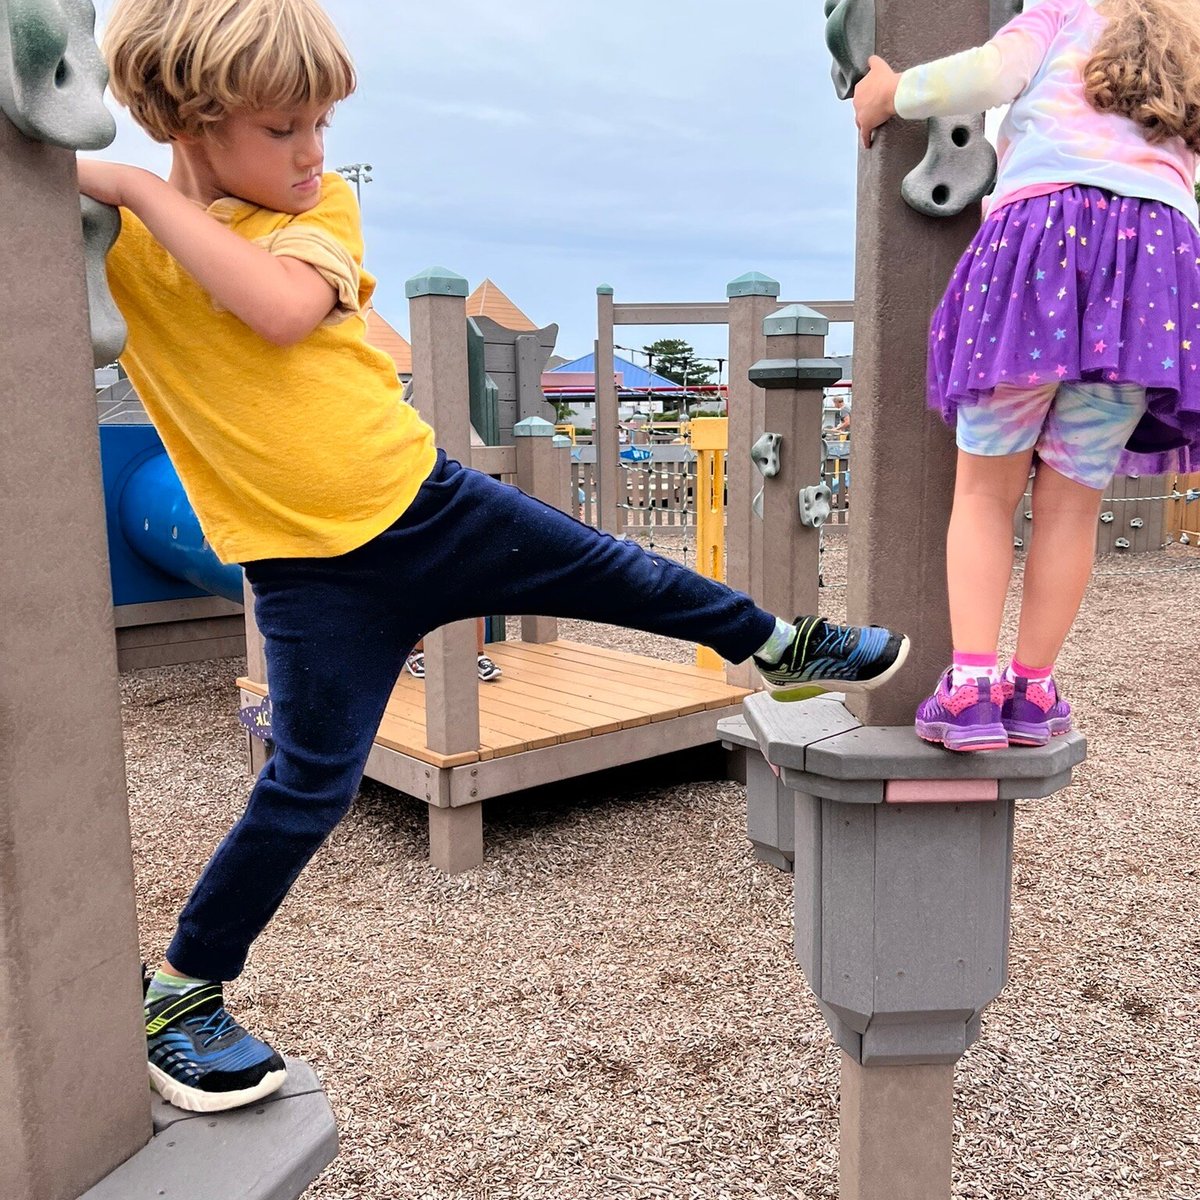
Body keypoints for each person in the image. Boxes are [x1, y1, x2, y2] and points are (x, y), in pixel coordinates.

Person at [83, 0, 911, 1114]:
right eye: (284, 127)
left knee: (621, 572)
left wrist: (131, 184)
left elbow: (278, 311)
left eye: (322, 122)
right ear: (189, 116)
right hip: (308, 571)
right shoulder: (123, 246)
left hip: (428, 504)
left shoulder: (317, 211)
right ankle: (184, 992)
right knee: (306, 789)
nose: (314, 152)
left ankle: (781, 642)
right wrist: (110, 189)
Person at [853, 0, 1199, 752]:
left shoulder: (1063, 12)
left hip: (1042, 249)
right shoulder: (1191, 43)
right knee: (1072, 506)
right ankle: (1034, 691)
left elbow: (987, 75)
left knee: (984, 489)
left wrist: (887, 94)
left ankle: (973, 688)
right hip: (1150, 278)